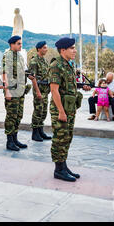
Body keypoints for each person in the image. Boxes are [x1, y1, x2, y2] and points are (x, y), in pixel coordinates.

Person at [49, 37, 86, 182]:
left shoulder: (68, 64)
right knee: (60, 139)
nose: (74, 50)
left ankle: (63, 166)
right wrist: (61, 111)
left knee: (67, 138)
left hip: (69, 108)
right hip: (61, 110)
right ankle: (58, 170)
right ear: (62, 50)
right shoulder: (56, 65)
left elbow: (68, 87)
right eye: (72, 48)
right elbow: (54, 90)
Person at [2, 35, 31, 151]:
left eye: (21, 43)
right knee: (11, 116)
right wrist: (7, 91)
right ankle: (9, 141)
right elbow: (5, 74)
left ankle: (15, 138)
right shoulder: (8, 56)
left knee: (18, 115)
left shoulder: (19, 56)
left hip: (20, 91)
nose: (20, 45)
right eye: (18, 43)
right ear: (12, 44)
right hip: (12, 91)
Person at [29, 41, 52, 142]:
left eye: (46, 48)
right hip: (39, 89)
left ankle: (40, 130)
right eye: (44, 48)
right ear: (39, 49)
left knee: (44, 111)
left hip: (45, 90)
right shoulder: (34, 61)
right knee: (38, 111)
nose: (46, 49)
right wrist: (37, 91)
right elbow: (33, 78)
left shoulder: (45, 61)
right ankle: (35, 133)